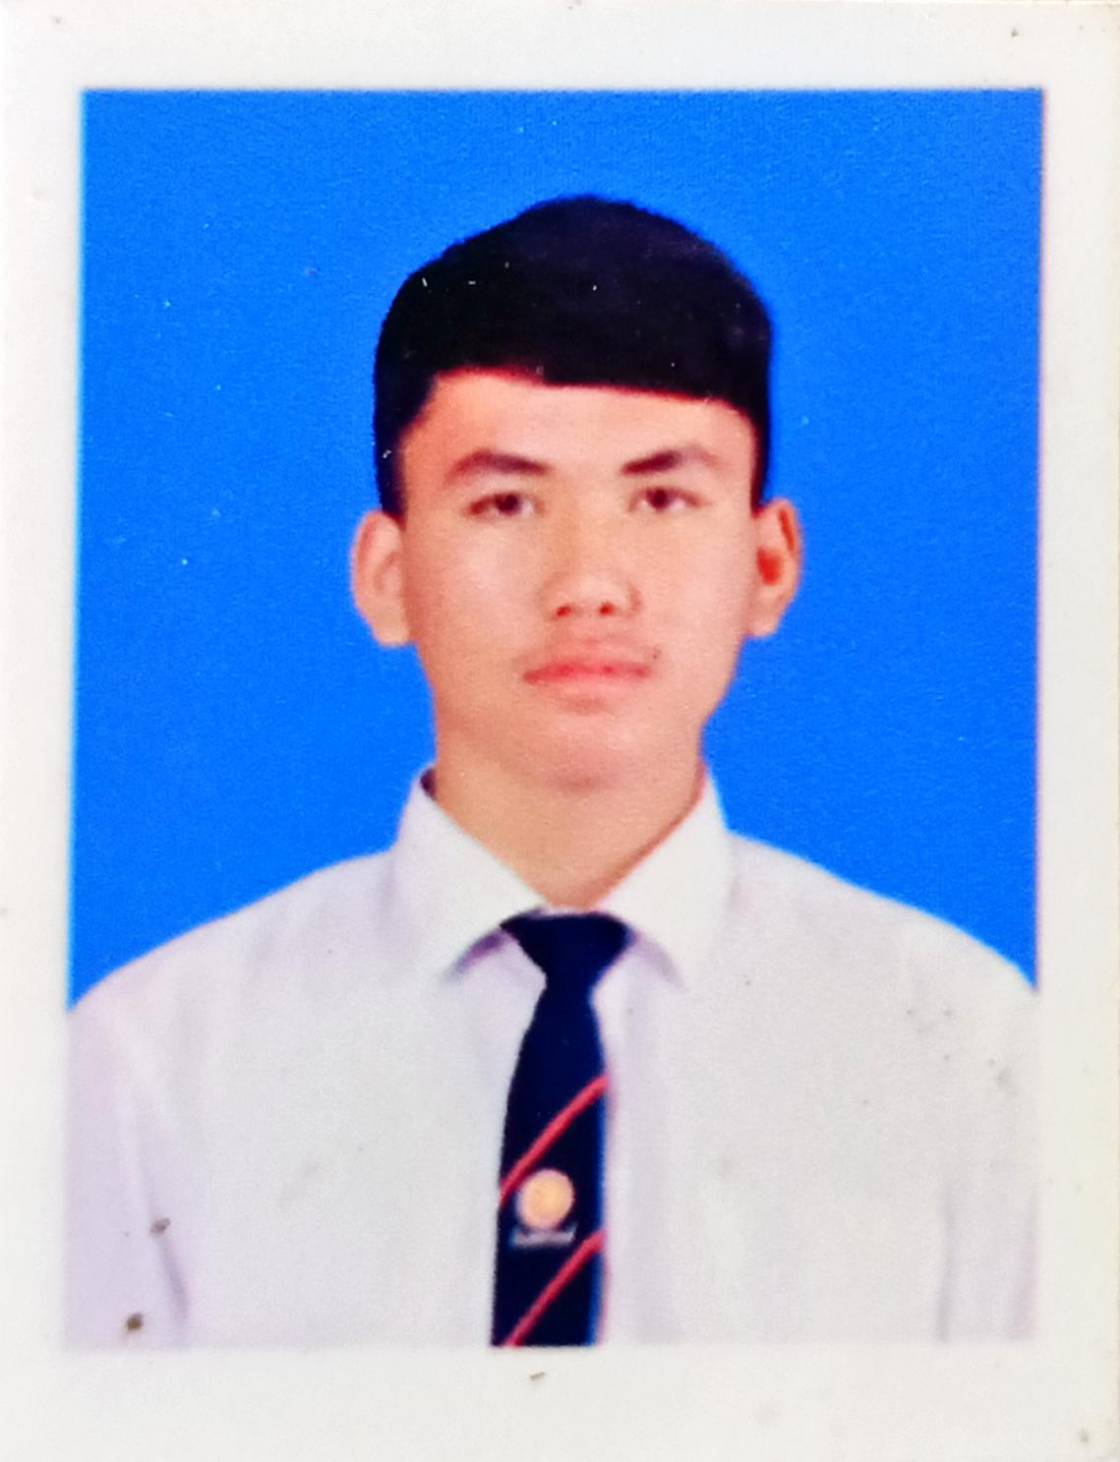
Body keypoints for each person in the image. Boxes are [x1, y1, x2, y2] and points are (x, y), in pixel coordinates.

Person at [67, 196, 1034, 1348]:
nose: (588, 582)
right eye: (506, 501)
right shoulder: (151, 1063)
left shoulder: (966, 1050)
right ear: (386, 574)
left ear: (769, 564)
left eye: (662, 498)